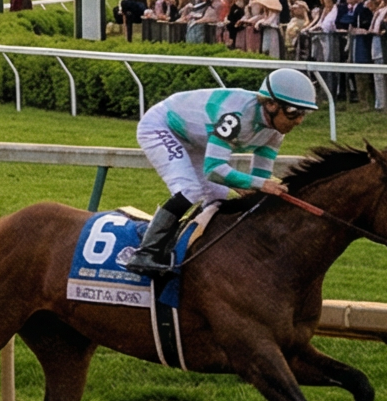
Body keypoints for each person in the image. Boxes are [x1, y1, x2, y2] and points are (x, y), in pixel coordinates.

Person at [123, 69, 319, 277]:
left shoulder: (275, 131)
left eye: (304, 113)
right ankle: (145, 253)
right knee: (189, 190)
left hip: (196, 139)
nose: (299, 120)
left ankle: (190, 251)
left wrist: (260, 187)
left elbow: (260, 177)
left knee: (217, 198)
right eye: (293, 111)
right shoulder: (235, 117)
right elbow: (214, 170)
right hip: (162, 126)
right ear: (271, 104)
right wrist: (259, 185)